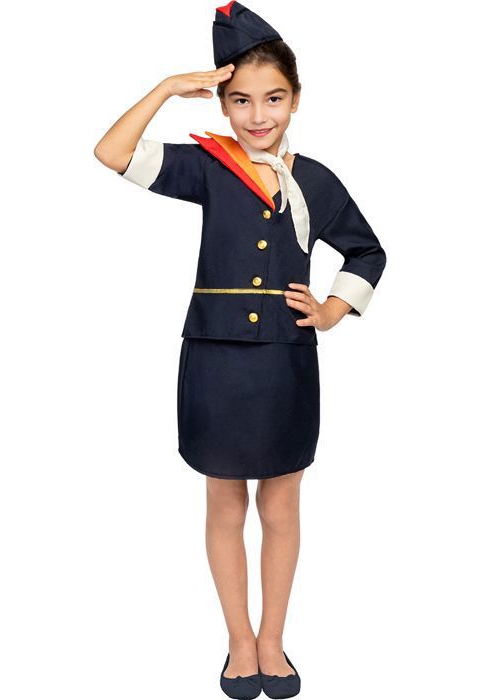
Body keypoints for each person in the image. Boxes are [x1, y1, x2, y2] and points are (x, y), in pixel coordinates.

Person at [94, 2, 386, 697]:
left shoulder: (315, 180)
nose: (258, 115)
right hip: (214, 364)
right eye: (242, 100)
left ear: (296, 99)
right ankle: (238, 641)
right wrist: (169, 87)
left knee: (281, 506)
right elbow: (112, 153)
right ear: (222, 103)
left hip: (286, 360)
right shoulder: (207, 167)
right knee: (225, 504)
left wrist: (333, 309)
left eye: (273, 98)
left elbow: (368, 251)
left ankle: (274, 639)